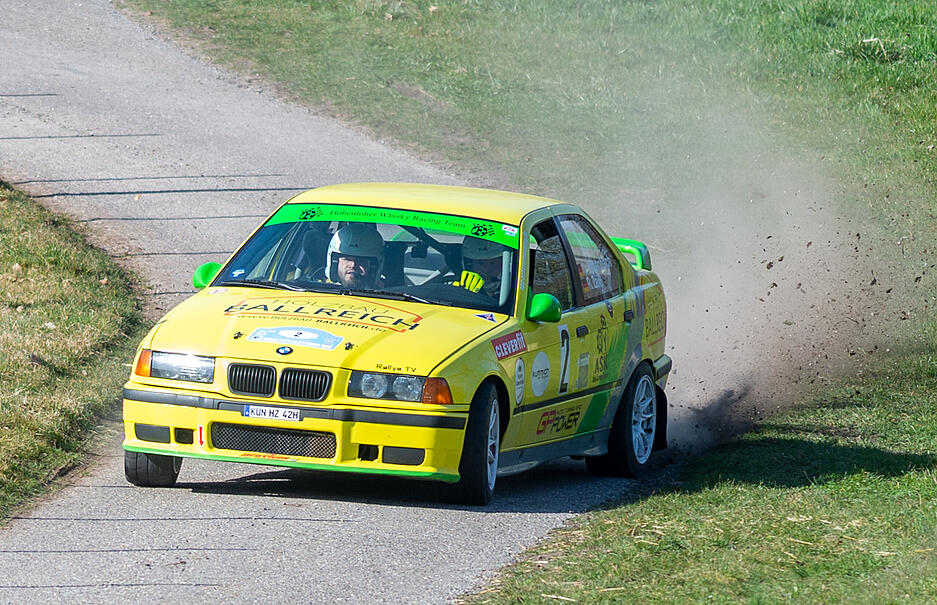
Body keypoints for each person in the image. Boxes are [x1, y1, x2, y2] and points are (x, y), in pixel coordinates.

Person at [325, 223, 384, 288]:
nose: (353, 265)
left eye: (361, 260)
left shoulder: (389, 295)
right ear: (335, 262)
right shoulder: (317, 290)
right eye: (347, 258)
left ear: (373, 267)